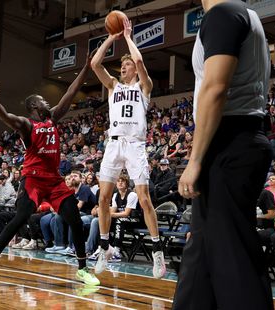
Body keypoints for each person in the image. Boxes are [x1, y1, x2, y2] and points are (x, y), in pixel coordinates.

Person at [173, 1, 274, 309]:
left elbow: (216, 88)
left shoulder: (223, 14)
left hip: (229, 141)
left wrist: (195, 158)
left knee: (234, 258)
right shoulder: (246, 15)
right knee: (201, 251)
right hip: (241, 138)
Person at [0, 52, 99, 290]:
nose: (47, 102)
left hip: (54, 181)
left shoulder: (53, 119)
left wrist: (85, 69)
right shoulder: (27, 124)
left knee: (74, 219)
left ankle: (82, 269)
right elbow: (7, 117)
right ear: (33, 106)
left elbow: (71, 91)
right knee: (20, 218)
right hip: (32, 180)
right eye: (42, 100)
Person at [90, 16, 165, 278]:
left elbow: (141, 61)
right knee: (102, 198)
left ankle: (157, 253)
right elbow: (95, 63)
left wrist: (129, 38)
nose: (124, 68)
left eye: (127, 65)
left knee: (144, 199)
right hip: (113, 144)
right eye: (122, 66)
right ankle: (103, 248)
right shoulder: (112, 86)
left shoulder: (145, 87)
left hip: (135, 145)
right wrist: (112, 37)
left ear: (134, 69)